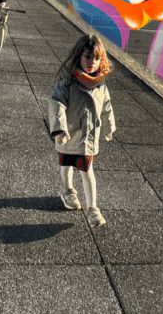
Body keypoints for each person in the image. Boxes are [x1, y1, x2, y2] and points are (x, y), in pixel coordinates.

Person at [48, 33, 116, 227]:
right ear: (78, 56)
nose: (91, 62)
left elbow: (107, 106)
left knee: (87, 170)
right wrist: (59, 129)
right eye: (87, 56)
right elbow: (56, 103)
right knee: (66, 164)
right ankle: (67, 190)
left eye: (96, 58)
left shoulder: (100, 84)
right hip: (68, 134)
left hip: (88, 137)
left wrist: (109, 126)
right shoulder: (68, 82)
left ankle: (93, 208)